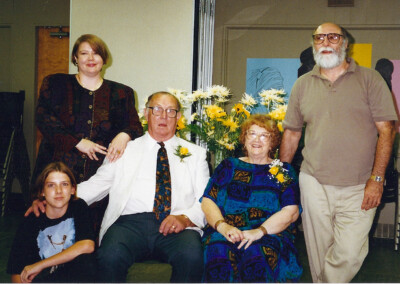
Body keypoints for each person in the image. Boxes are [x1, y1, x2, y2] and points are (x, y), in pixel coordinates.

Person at [28, 91, 209, 282]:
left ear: (178, 117)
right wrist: (50, 199)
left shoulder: (196, 154)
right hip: (128, 225)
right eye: (157, 109)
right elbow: (96, 185)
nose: (163, 116)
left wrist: (185, 219)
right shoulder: (124, 149)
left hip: (177, 224)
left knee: (192, 256)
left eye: (170, 111)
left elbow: (205, 199)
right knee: (110, 256)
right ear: (146, 114)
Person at [280, 22, 397, 283]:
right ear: (314, 44)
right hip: (314, 181)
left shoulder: (370, 79)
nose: (326, 42)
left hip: (360, 185)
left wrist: (377, 180)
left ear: (345, 43)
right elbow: (292, 133)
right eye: (320, 37)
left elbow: (386, 131)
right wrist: (280, 176)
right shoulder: (302, 84)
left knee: (349, 253)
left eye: (333, 37)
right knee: (318, 254)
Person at [32, 34, 143, 188]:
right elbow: (43, 119)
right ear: (75, 58)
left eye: (96, 53)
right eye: (84, 53)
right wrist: (77, 142)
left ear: (104, 59)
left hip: (100, 178)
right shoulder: (56, 83)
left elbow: (135, 126)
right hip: (57, 172)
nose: (91, 58)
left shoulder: (122, 92)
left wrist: (124, 135)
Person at [201, 114, 303, 282]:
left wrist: (259, 231)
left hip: (268, 233)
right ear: (244, 138)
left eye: (264, 135)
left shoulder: (280, 171)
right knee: (219, 254)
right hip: (227, 231)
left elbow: (291, 211)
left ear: (273, 142)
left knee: (256, 257)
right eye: (252, 133)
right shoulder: (229, 166)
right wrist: (223, 227)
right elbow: (207, 201)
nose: (257, 140)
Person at [8, 162, 96, 283]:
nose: (58, 191)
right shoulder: (31, 219)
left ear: (73, 189)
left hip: (74, 277)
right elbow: (16, 272)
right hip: (44, 279)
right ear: (42, 191)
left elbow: (87, 245)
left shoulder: (79, 207)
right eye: (51, 185)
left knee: (86, 261)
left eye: (64, 184)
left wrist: (40, 265)